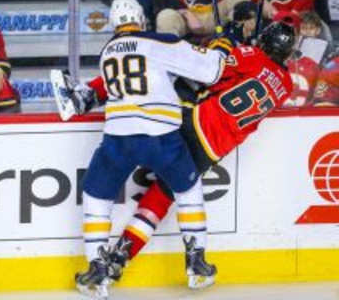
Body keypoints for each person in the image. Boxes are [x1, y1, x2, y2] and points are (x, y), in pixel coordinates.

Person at [53, 20, 295, 295]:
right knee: (166, 196)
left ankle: (87, 95)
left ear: (265, 41)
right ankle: (136, 257)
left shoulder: (253, 56)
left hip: (195, 121)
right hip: (215, 147)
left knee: (162, 68)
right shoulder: (285, 84)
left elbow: (212, 69)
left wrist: (225, 40)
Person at [69, 0, 225, 299]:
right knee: (187, 191)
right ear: (141, 19)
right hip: (161, 137)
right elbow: (211, 71)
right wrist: (216, 48)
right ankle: (197, 264)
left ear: (114, 25)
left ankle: (96, 269)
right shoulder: (160, 42)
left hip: (118, 137)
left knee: (96, 195)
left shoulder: (107, 51)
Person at [153, 0, 251, 37]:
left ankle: (241, 50)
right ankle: (171, 63)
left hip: (216, 15)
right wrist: (185, 13)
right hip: (185, 18)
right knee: (165, 17)